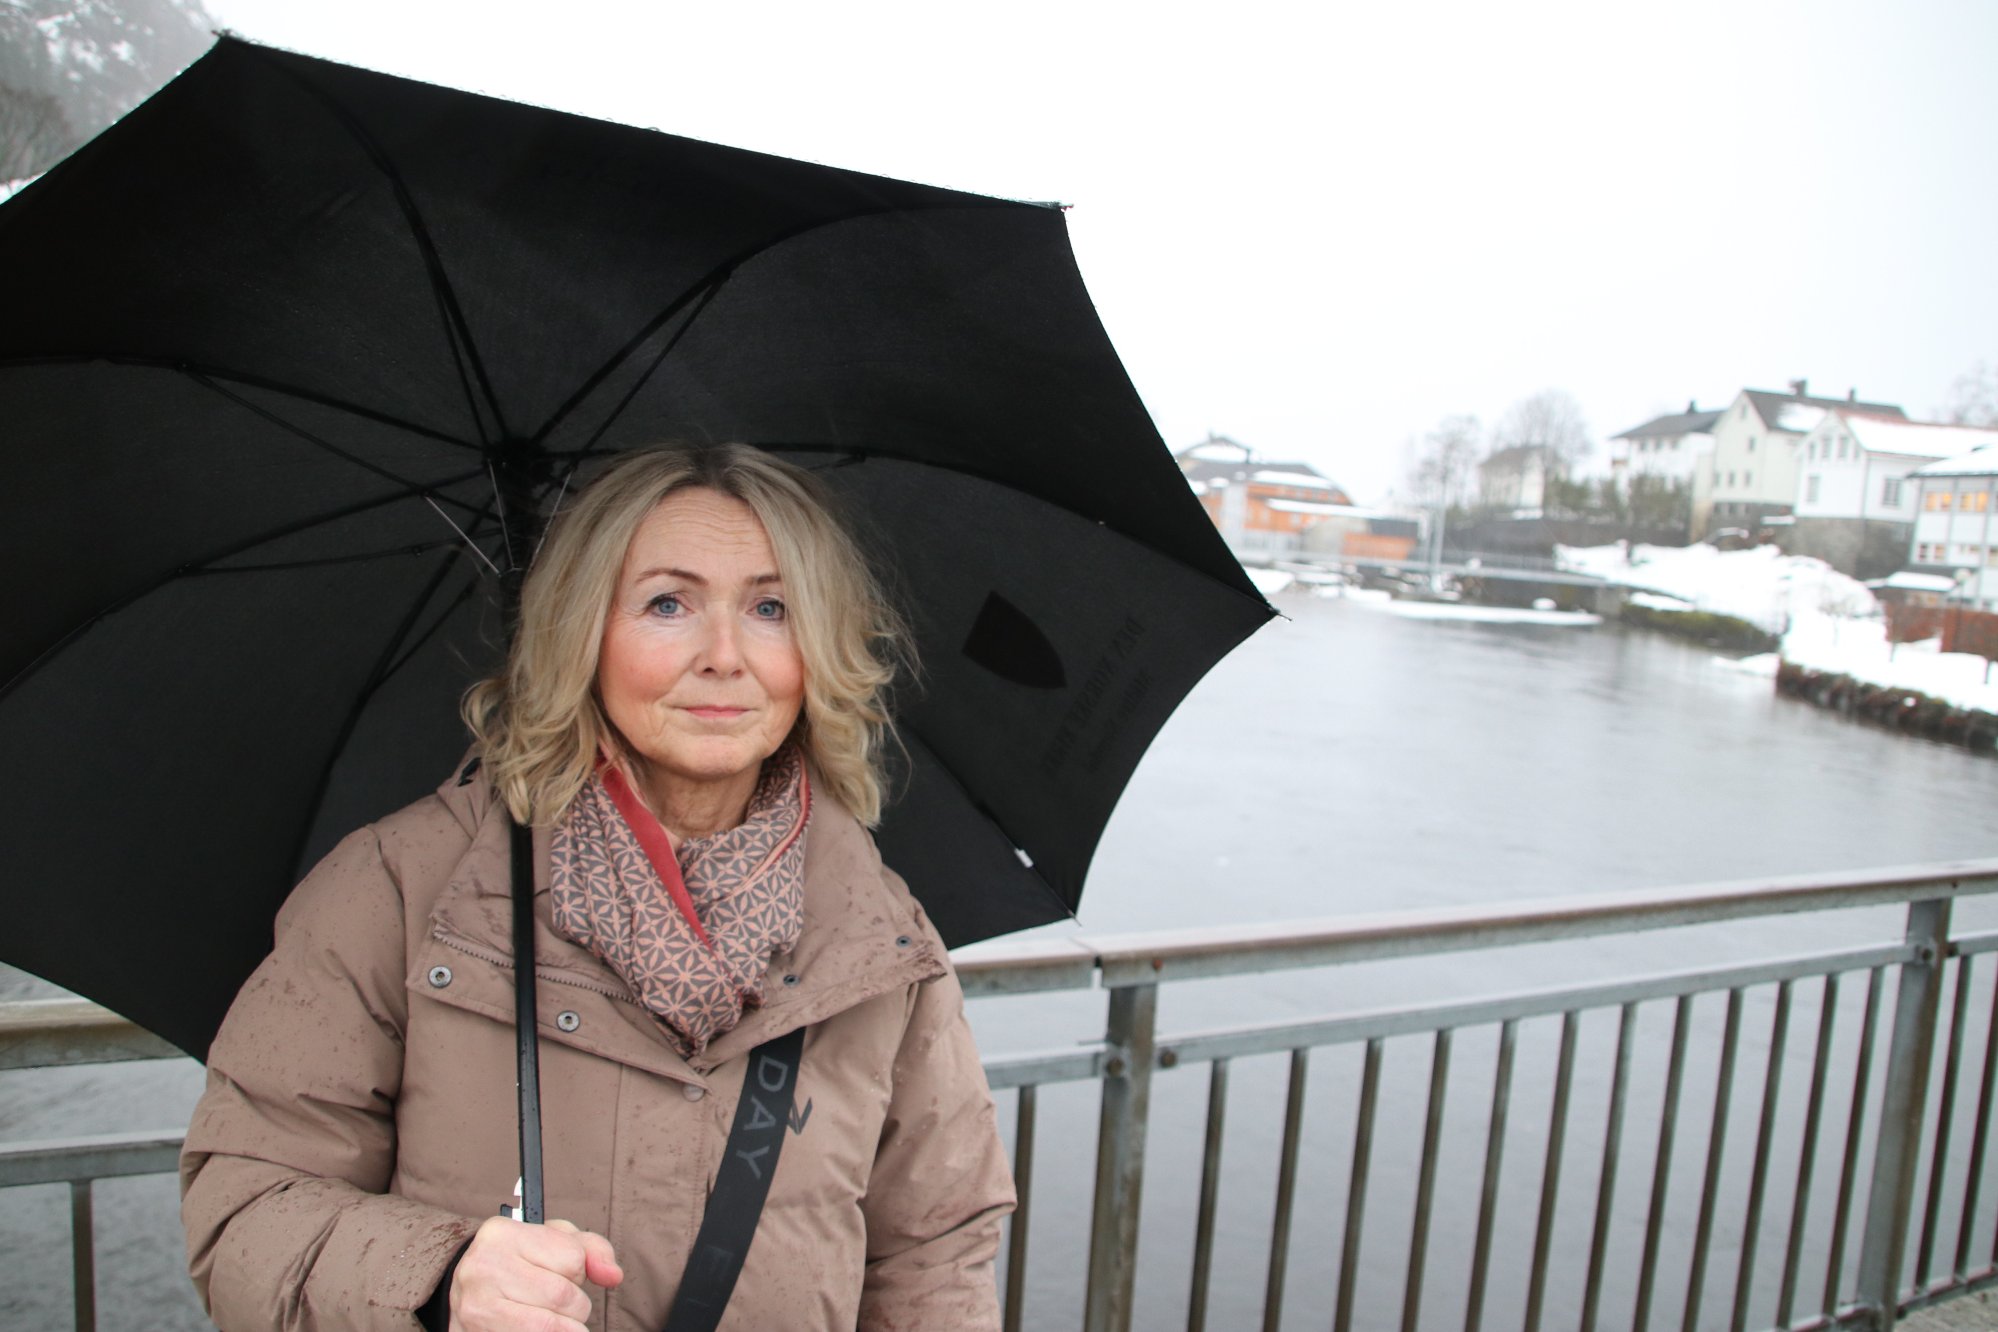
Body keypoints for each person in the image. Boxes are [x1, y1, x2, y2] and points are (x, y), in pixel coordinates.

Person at [180, 445, 1016, 1331]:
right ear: (581, 632)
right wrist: (440, 1280)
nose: (725, 655)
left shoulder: (879, 933)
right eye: (667, 604)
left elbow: (936, 1253)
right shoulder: (401, 888)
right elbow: (245, 1210)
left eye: (771, 608)